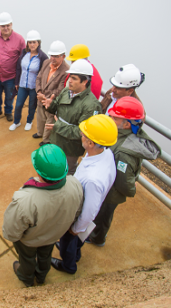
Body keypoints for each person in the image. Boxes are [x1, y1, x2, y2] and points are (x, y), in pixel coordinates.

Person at [2, 144, 83, 287]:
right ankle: (41, 276)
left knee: (27, 258)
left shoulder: (25, 200)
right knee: (45, 255)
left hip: (29, 241)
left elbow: (11, 232)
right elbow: (77, 211)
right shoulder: (75, 184)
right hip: (52, 236)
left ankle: (26, 276)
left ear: (38, 172)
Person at [87, 97, 160, 246]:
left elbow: (123, 181)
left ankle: (97, 238)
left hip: (111, 191)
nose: (110, 118)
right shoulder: (122, 135)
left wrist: (130, 190)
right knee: (100, 213)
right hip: (107, 185)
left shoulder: (124, 153)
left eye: (115, 118)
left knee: (103, 215)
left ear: (127, 124)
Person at [51, 115, 117, 275]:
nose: (81, 134)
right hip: (81, 208)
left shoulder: (93, 179)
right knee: (75, 242)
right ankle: (76, 253)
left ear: (91, 143)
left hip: (77, 215)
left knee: (69, 241)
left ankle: (68, 266)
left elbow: (89, 211)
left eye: (83, 135)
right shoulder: (104, 153)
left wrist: (75, 229)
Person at [41, 59, 102, 175]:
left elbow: (82, 132)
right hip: (56, 140)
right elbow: (57, 108)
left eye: (74, 78)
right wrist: (50, 105)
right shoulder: (67, 91)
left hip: (70, 149)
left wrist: (58, 125)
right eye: (70, 77)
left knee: (67, 173)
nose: (70, 81)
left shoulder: (91, 105)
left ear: (85, 81)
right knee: (54, 168)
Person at [0, 12, 25, 122]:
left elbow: (23, 58)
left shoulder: (20, 39)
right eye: (3, 26)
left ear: (11, 24)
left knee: (9, 97)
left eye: (8, 25)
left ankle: (8, 111)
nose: (6, 28)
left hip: (10, 77)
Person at [10, 30, 47, 132]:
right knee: (18, 105)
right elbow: (18, 68)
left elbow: (44, 74)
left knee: (32, 106)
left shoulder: (42, 57)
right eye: (30, 42)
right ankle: (16, 122)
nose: (32, 44)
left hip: (34, 87)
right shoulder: (24, 54)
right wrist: (17, 82)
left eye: (34, 42)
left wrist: (40, 88)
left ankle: (29, 121)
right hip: (22, 85)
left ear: (38, 43)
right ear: (27, 43)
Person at [34, 41, 69, 145]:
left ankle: (46, 140)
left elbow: (60, 90)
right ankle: (40, 133)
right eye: (51, 55)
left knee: (49, 122)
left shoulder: (66, 71)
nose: (52, 58)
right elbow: (39, 77)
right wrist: (39, 91)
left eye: (56, 56)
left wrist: (44, 97)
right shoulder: (46, 63)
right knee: (40, 118)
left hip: (51, 102)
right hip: (41, 99)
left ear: (63, 56)